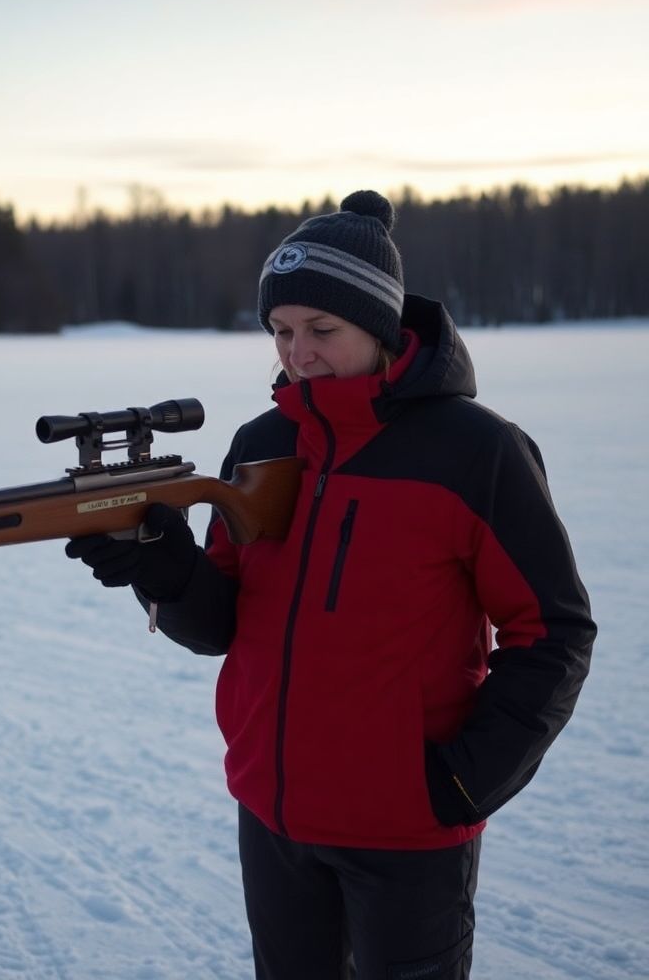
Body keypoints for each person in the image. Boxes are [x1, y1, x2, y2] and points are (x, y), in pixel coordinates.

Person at [66, 190, 596, 980]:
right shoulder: (264, 441)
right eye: (281, 331)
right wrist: (163, 568)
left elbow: (553, 634)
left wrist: (460, 781)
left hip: (408, 830)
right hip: (273, 816)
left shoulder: (477, 452)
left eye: (323, 330)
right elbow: (219, 625)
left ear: (380, 327)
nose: (298, 353)